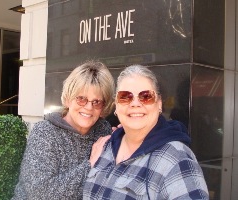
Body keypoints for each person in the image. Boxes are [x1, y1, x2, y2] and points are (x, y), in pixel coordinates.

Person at [83, 64, 209, 200]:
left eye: (146, 96)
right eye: (125, 96)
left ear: (159, 104)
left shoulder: (176, 159)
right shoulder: (105, 147)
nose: (135, 103)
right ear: (116, 105)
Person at [12, 60, 115, 200]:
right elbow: (40, 194)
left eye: (96, 102)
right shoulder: (45, 132)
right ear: (68, 99)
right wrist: (90, 164)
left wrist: (122, 139)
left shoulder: (103, 130)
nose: (89, 107)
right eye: (81, 99)